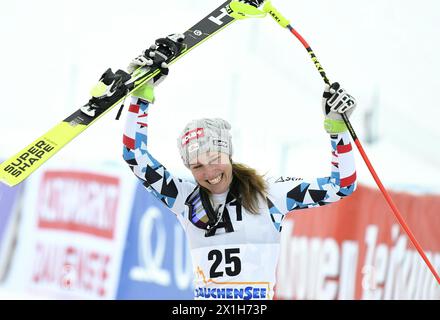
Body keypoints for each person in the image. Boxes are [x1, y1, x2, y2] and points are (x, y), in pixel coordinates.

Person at [121, 35, 357, 300]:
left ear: (228, 153)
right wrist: (140, 96)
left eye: (214, 160)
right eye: (197, 166)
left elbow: (342, 186)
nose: (209, 173)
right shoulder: (184, 199)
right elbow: (135, 156)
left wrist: (338, 129)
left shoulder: (270, 195)